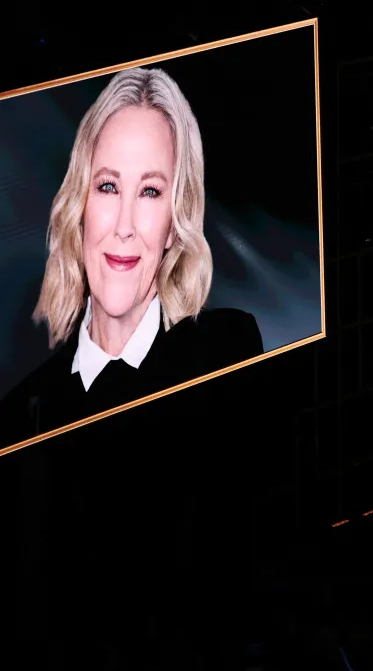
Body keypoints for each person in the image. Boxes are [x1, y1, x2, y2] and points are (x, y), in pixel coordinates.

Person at [0, 66, 263, 449]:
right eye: (108, 186)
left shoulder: (227, 351)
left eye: (150, 191)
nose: (124, 226)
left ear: (174, 224)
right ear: (81, 207)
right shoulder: (17, 417)